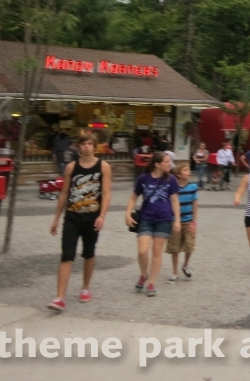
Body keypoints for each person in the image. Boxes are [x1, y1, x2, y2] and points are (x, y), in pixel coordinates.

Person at [47, 133, 113, 311]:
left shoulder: (103, 167)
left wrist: (102, 215)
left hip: (92, 217)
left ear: (94, 146)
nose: (87, 147)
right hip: (72, 217)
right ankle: (60, 296)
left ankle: (85, 287)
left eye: (90, 144)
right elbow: (64, 193)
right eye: (84, 144)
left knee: (89, 253)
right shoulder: (71, 167)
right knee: (66, 255)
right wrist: (56, 218)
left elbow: (106, 193)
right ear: (78, 147)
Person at [125, 152, 181, 297]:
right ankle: (144, 274)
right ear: (157, 164)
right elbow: (133, 198)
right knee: (142, 251)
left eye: (170, 162)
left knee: (157, 251)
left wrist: (178, 220)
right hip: (146, 218)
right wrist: (127, 214)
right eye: (167, 162)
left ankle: (151, 282)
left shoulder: (171, 179)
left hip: (164, 219)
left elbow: (175, 201)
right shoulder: (143, 179)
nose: (170, 164)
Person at [167, 163, 198, 281]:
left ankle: (185, 265)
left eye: (189, 170)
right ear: (179, 174)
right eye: (186, 170)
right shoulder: (174, 188)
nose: (189, 172)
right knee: (174, 247)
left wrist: (194, 222)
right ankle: (175, 271)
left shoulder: (193, 187)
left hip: (189, 221)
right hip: (176, 221)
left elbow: (195, 206)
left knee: (189, 246)